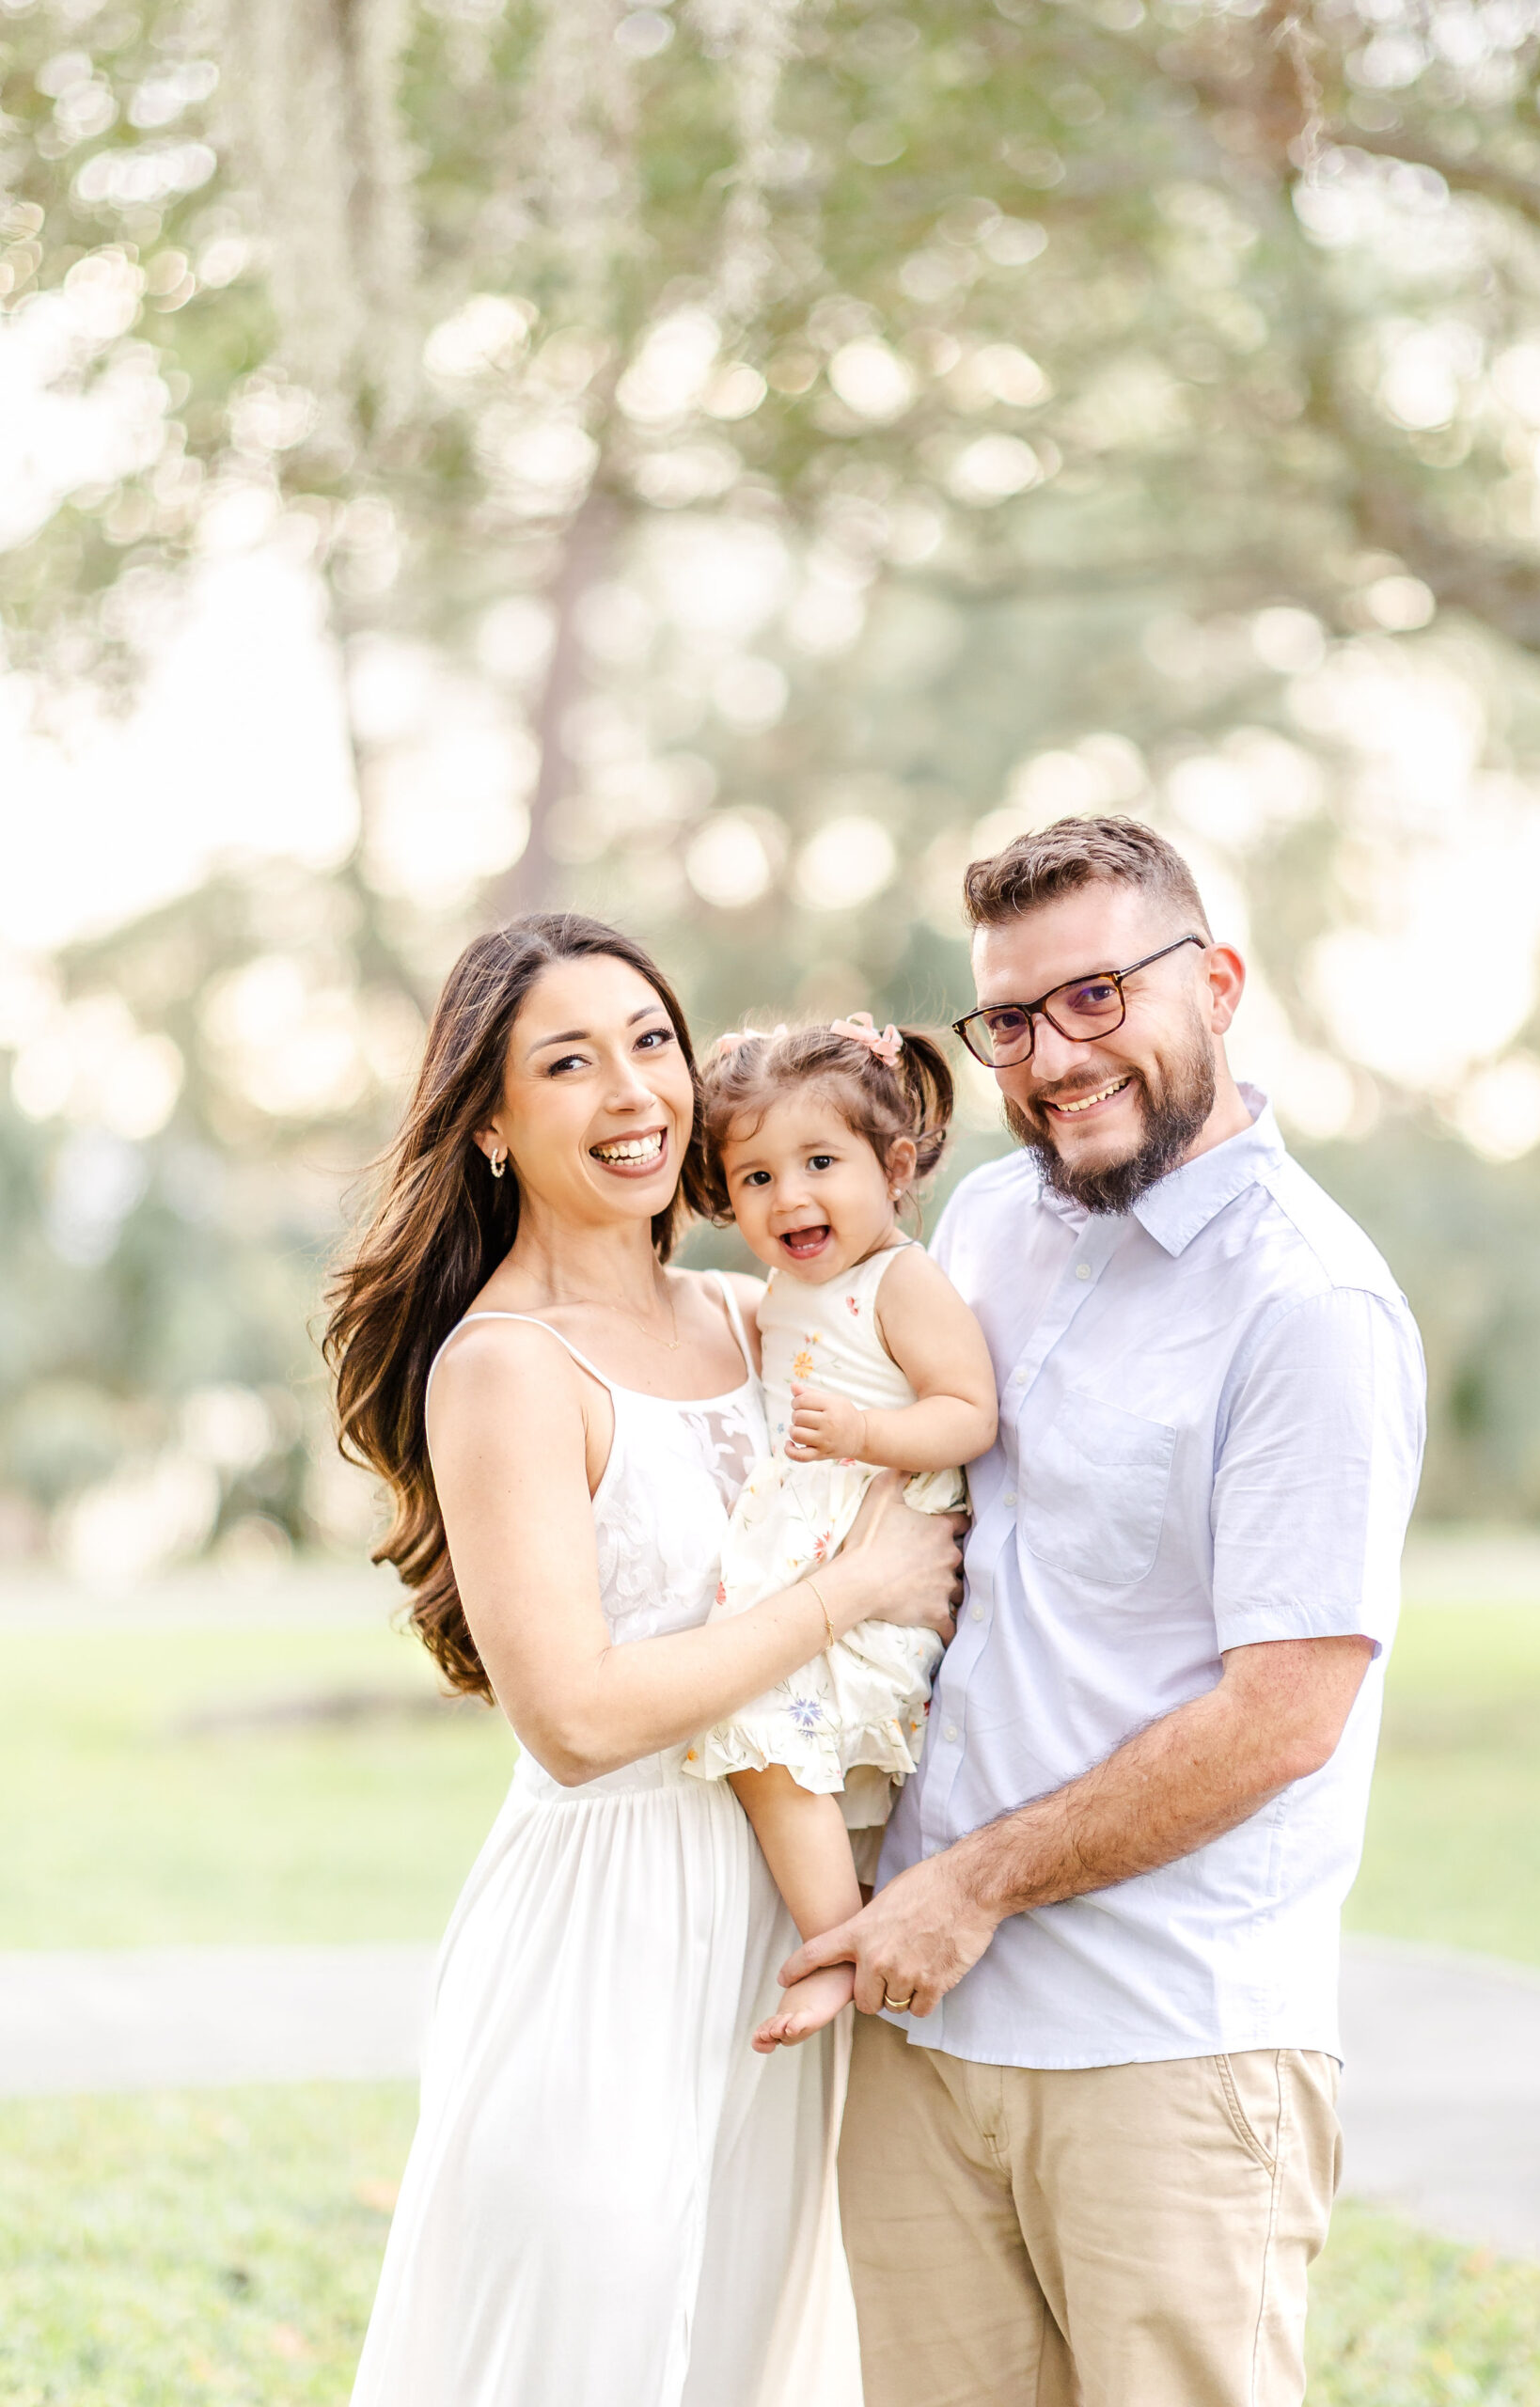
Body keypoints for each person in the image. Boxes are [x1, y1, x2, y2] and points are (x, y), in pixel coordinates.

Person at [780, 818, 1427, 2407]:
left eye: (1093, 998)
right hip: (927, 2042)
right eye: (1006, 1020)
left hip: (1163, 2045)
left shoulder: (1309, 1311)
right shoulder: (990, 1224)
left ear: (1213, 983)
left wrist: (969, 1888)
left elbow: (1285, 1713)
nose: (1052, 1057)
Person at [323, 913, 962, 2407]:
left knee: (744, 2358)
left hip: (778, 1917)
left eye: (652, 1044)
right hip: (607, 1929)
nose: (631, 1095)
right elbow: (576, 1718)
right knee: (579, 2352)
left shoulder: (762, 1316)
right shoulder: (503, 1368)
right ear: (487, 1120)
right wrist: (849, 1588)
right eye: (568, 1062)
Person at [683, 1015, 998, 2053]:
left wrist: (867, 1429)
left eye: (820, 1162)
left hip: (877, 1544)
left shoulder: (900, 1280)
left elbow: (968, 1409)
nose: (790, 1197)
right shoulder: (781, 1292)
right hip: (810, 1553)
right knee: (777, 1759)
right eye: (757, 1176)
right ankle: (845, 1932)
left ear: (895, 1165)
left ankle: (833, 1952)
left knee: (769, 1746)